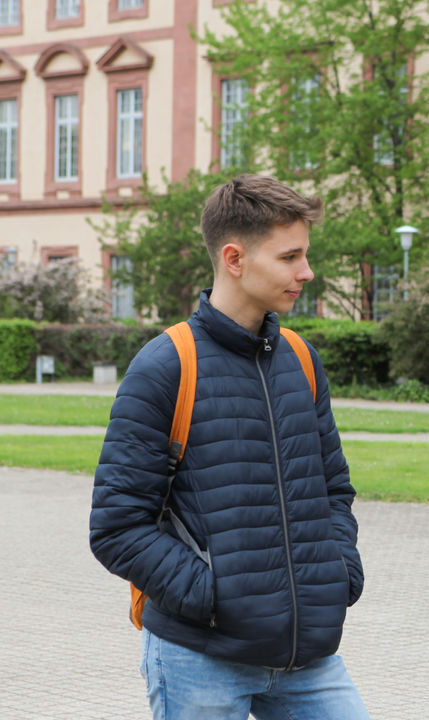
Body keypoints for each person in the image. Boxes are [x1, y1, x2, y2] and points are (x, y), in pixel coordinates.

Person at [89, 174, 368, 719]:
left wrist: (339, 574)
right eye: (290, 257)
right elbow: (117, 527)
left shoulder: (302, 360)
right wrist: (218, 599)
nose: (305, 273)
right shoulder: (166, 365)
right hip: (201, 658)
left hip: (307, 658)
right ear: (235, 259)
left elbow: (334, 489)